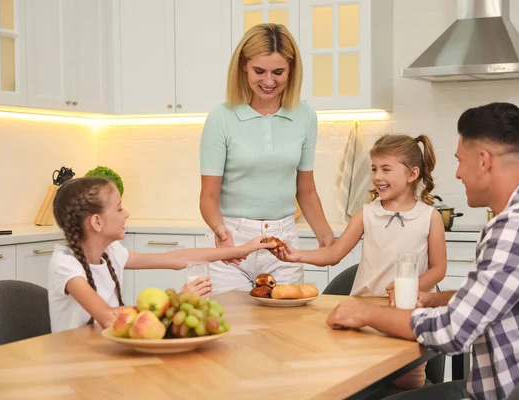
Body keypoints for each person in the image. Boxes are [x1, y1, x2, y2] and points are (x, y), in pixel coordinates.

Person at [325, 102, 519, 400]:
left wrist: (365, 313)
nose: (456, 174)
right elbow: (510, 297)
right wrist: (433, 299)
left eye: (459, 160)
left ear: (483, 160)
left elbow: (454, 331)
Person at [275, 133, 447, 390]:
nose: (377, 176)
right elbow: (333, 254)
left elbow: (439, 269)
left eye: (386, 169)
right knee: (356, 379)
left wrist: (410, 286)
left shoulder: (429, 217)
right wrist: (297, 255)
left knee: (405, 381)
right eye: (375, 169)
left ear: (412, 174)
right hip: (363, 314)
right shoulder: (367, 213)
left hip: (406, 314)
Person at [199, 23, 334, 293]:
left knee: (284, 327)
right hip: (233, 240)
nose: (269, 81)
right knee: (233, 327)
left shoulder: (305, 116)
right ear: (244, 67)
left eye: (278, 72)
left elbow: (306, 190)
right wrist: (220, 231)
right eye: (260, 71)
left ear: (292, 70)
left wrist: (327, 237)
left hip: (283, 241)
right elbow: (209, 197)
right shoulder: (222, 118)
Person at [48, 177, 276, 333]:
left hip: (105, 349)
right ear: (96, 222)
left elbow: (176, 259)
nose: (126, 214)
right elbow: (107, 317)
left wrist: (242, 249)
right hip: (76, 358)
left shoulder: (111, 253)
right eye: (119, 208)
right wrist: (175, 302)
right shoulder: (66, 264)